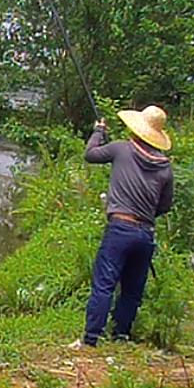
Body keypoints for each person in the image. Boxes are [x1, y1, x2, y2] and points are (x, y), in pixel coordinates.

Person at [71, 105, 174, 348]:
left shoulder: (121, 149)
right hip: (145, 234)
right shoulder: (165, 166)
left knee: (104, 283)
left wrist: (98, 132)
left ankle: (91, 338)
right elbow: (165, 205)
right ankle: (121, 335)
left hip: (120, 228)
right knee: (132, 289)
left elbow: (90, 154)